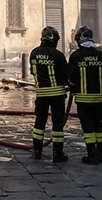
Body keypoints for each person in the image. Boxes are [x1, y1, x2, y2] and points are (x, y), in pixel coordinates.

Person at [67, 26, 102, 165]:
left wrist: (73, 87)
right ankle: (101, 153)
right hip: (98, 99)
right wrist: (100, 86)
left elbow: (71, 76)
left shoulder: (76, 56)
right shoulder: (101, 55)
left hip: (83, 99)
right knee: (98, 125)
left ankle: (91, 154)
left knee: (88, 128)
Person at [29, 26, 69, 163]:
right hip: (57, 95)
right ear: (54, 40)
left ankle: (37, 151)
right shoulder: (58, 55)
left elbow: (33, 72)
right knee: (57, 125)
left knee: (39, 122)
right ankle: (58, 153)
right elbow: (65, 75)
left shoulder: (34, 53)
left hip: (41, 95)